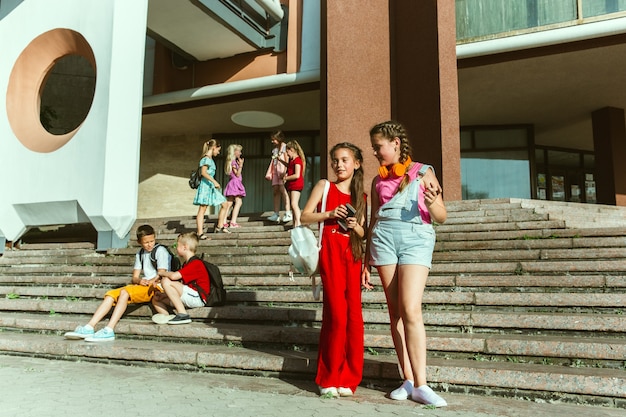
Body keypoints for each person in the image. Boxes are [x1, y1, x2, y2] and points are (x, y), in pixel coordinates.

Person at [361, 121, 448, 407]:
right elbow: (373, 220)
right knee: (395, 312)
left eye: (378, 146)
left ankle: (422, 384)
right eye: (373, 147)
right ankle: (408, 379)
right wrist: (365, 261)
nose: (375, 152)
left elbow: (441, 216)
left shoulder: (423, 172)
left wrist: (434, 202)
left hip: (415, 239)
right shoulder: (377, 181)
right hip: (383, 240)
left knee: (411, 308)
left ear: (396, 142)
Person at [300, 142, 367, 398]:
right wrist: (329, 213)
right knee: (336, 315)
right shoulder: (324, 186)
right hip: (330, 252)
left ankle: (349, 378)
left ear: (356, 164)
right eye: (335, 160)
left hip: (352, 255)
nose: (339, 165)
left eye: (344, 160)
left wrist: (354, 224)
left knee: (354, 320)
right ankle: (328, 377)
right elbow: (304, 216)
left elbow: (362, 232)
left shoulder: (361, 195)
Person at [64, 224, 171, 342]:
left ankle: (109, 329)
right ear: (139, 242)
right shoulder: (140, 253)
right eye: (146, 242)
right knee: (110, 294)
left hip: (156, 287)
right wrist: (140, 280)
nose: (149, 244)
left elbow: (161, 274)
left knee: (124, 292)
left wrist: (149, 281)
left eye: (152, 240)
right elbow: (134, 278)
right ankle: (90, 326)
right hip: (143, 285)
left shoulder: (160, 251)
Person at [151, 232, 210, 325]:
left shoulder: (196, 263)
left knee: (166, 281)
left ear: (184, 247)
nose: (176, 248)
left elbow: (174, 276)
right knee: (157, 298)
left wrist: (161, 273)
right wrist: (165, 295)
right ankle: (166, 316)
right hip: (190, 295)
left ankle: (183, 314)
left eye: (177, 245)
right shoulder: (187, 263)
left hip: (198, 298)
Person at [193, 139, 228, 237]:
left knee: (224, 204)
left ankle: (219, 226)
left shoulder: (209, 159)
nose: (218, 152)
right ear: (214, 148)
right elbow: (203, 172)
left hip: (210, 186)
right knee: (203, 208)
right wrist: (214, 181)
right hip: (205, 186)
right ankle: (200, 233)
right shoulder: (206, 159)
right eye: (218, 150)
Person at [266, 131, 292, 223]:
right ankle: (276, 213)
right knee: (275, 191)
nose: (272, 141)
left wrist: (285, 172)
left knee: (283, 190)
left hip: (282, 172)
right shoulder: (275, 150)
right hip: (275, 172)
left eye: (274, 139)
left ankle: (288, 212)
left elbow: (287, 161)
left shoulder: (285, 147)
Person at [282, 140, 306, 227]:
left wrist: (286, 178)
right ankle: (294, 225)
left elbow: (297, 175)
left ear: (291, 149)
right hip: (291, 185)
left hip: (296, 184)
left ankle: (299, 223)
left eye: (287, 151)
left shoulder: (297, 160)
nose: (287, 154)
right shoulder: (292, 161)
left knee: (294, 204)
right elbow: (289, 166)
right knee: (293, 205)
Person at [222, 144, 246, 229]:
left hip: (233, 183)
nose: (240, 153)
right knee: (238, 202)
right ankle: (233, 222)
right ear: (234, 152)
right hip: (235, 183)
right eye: (239, 151)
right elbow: (237, 174)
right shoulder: (233, 162)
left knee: (230, 202)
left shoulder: (231, 162)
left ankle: (224, 221)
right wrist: (241, 166)